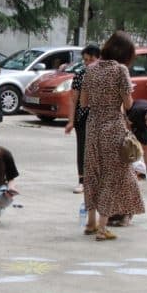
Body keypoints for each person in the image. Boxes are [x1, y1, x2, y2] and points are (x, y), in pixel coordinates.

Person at [81, 31, 145, 239]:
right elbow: (128, 104)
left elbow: (83, 103)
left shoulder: (90, 69)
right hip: (113, 126)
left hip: (92, 126)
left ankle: (90, 222)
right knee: (111, 175)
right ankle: (102, 228)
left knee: (92, 173)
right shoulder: (120, 70)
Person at [64, 44, 101, 193]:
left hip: (101, 116)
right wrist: (71, 121)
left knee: (99, 150)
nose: (88, 63)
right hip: (83, 117)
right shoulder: (80, 75)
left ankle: (97, 181)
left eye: (91, 59)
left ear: (99, 58)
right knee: (83, 148)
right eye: (85, 60)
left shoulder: (105, 75)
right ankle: (82, 180)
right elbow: (73, 100)